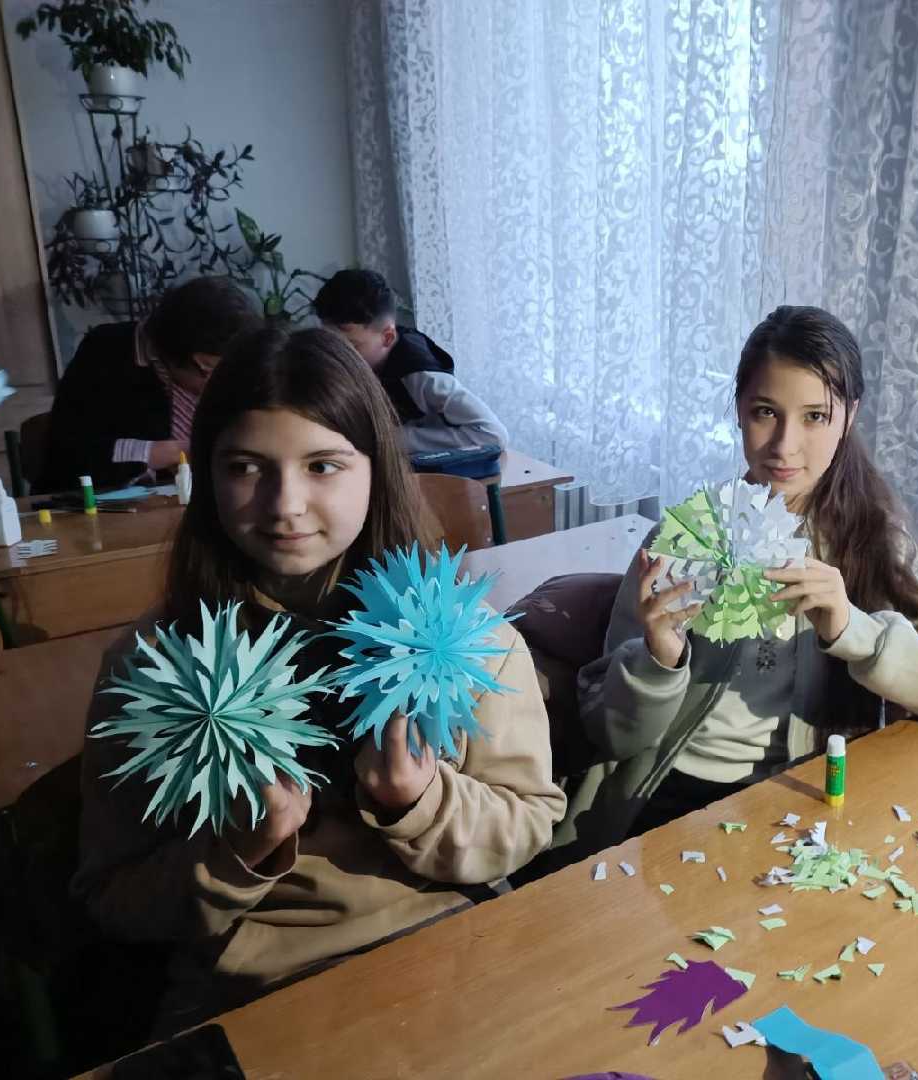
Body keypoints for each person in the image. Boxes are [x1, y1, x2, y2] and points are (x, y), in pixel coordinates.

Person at [72, 327, 564, 1032]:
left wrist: (421, 800)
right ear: (206, 476)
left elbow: (528, 822)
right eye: (246, 467)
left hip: (457, 946)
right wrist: (239, 850)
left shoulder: (467, 638)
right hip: (262, 990)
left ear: (376, 470)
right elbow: (112, 895)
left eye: (324, 465)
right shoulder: (151, 662)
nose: (285, 504)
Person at [558, 305, 918, 851]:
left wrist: (853, 629)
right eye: (765, 412)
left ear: (849, 417)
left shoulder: (871, 540)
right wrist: (658, 661)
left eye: (815, 416)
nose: (784, 445)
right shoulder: (685, 539)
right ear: (738, 410)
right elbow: (607, 730)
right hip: (667, 794)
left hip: (806, 802)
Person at [38, 277, 260, 493]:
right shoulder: (106, 352)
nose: (221, 383)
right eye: (209, 371)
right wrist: (169, 452)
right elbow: (70, 458)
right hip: (90, 505)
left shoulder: (233, 371)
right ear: (178, 357)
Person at [312, 269, 508, 457]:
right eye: (331, 343)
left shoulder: (423, 376)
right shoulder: (347, 359)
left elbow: (493, 434)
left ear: (387, 337)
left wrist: (394, 439)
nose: (337, 356)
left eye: (352, 346)